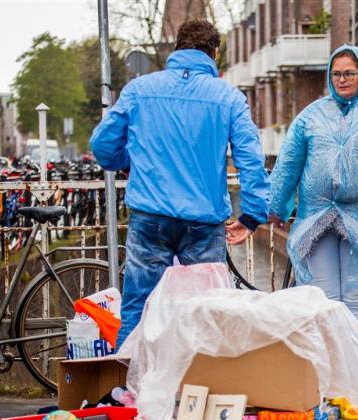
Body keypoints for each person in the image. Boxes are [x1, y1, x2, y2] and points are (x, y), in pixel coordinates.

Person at [90, 20, 270, 349]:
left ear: (177, 49)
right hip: (203, 220)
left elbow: (102, 146)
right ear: (214, 54)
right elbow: (250, 158)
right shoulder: (228, 97)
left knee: (138, 306)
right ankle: (201, 391)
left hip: (150, 215)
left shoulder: (139, 90)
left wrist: (128, 163)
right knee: (207, 310)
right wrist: (252, 215)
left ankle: (130, 390)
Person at [268, 44, 358, 333]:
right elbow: (289, 163)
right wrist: (276, 205)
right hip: (317, 216)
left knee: (356, 297)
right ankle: (332, 365)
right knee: (325, 297)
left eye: (349, 73)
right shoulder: (311, 116)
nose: (342, 79)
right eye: (336, 74)